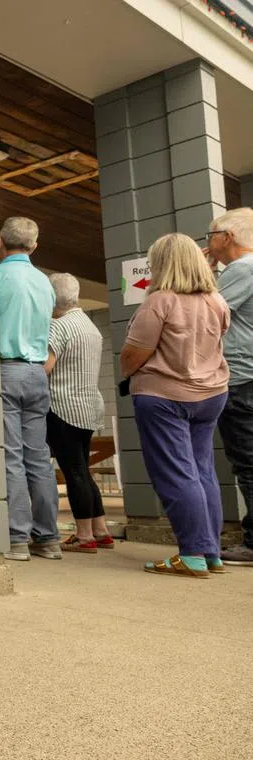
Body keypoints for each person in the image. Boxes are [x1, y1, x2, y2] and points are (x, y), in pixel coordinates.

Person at [121, 233, 230, 578]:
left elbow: (134, 354)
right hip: (211, 394)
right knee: (202, 470)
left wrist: (128, 373)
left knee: (176, 472)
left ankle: (192, 554)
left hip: (164, 396)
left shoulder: (159, 301)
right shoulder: (216, 301)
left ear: (161, 264)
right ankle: (211, 553)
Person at [0, 217, 60, 561]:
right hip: (38, 373)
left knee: (11, 457)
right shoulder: (44, 282)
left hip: (5, 370)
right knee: (38, 457)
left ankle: (17, 538)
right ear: (34, 246)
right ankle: (48, 538)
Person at [44, 273, 112, 553]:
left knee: (74, 473)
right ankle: (101, 530)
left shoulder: (58, 327)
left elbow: (45, 368)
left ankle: (83, 536)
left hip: (62, 406)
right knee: (84, 469)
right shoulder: (90, 327)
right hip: (89, 407)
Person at [208, 208, 253, 566]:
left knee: (248, 462)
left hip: (241, 379)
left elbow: (210, 316)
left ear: (227, 237)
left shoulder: (241, 270)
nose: (208, 241)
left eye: (212, 234)